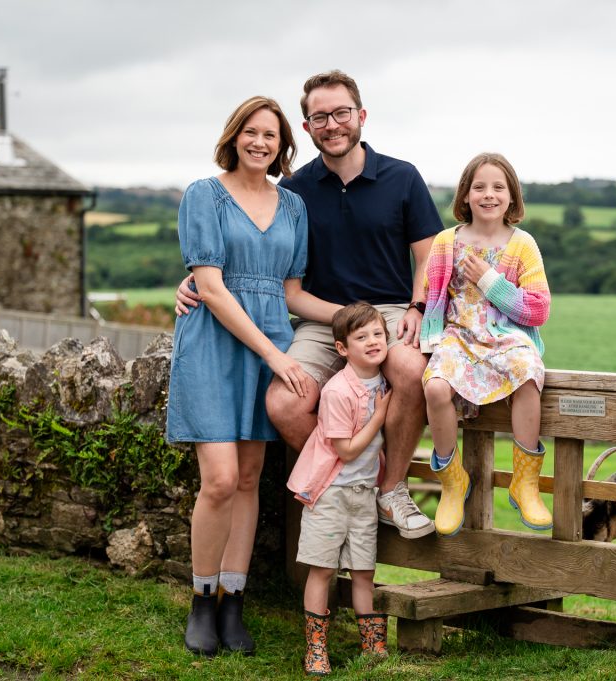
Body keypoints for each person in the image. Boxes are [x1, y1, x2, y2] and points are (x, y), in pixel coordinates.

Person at [177, 70, 443, 539]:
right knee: (283, 402)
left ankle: (392, 490)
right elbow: (263, 259)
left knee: (408, 369)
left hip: (393, 310)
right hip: (323, 318)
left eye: (341, 113)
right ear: (306, 128)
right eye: (319, 117)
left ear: (360, 116)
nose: (332, 124)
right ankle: (356, 481)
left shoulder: (403, 177)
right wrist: (192, 280)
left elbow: (430, 257)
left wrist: (419, 306)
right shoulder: (295, 193)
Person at [166, 95, 339, 657]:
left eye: (271, 135)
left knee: (248, 479)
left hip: (271, 342)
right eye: (251, 132)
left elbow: (291, 293)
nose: (260, 142)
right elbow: (211, 286)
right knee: (217, 479)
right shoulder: (203, 194)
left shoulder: (292, 207)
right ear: (234, 136)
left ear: (283, 145)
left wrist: (353, 320)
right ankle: (201, 601)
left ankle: (233, 603)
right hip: (219, 345)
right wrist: (276, 356)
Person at [420, 153, 552, 536]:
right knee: (435, 386)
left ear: (512, 198)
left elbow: (539, 309)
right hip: (458, 337)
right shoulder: (447, 242)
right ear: (465, 195)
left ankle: (525, 482)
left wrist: (491, 281)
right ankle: (451, 480)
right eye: (479, 187)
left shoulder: (523, 245)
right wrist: (430, 343)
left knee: (528, 374)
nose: (489, 195)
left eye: (498, 187)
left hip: (504, 338)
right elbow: (433, 297)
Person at [286, 302, 393, 675]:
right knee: (322, 570)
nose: (373, 341)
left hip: (364, 494)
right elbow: (344, 450)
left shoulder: (384, 382)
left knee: (364, 572)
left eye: (378, 333)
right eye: (361, 337)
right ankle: (316, 648)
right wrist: (379, 415)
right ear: (342, 348)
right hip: (331, 494)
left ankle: (373, 646)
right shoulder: (337, 391)